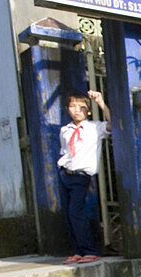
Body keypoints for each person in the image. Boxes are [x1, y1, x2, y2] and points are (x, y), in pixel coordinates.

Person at [57, 90, 110, 264]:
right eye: (72, 106)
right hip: (65, 174)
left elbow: (113, 123)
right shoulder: (65, 130)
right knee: (68, 214)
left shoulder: (95, 127)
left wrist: (101, 102)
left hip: (81, 176)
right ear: (67, 109)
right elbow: (65, 151)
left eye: (81, 107)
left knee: (76, 212)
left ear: (88, 111)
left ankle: (90, 250)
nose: (77, 110)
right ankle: (78, 251)